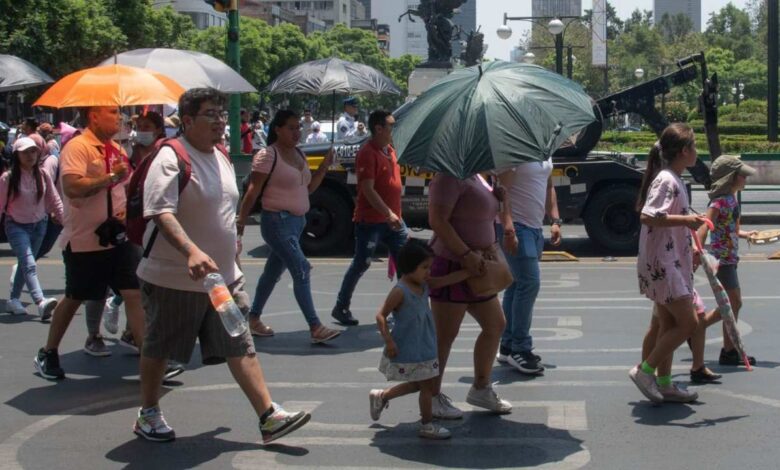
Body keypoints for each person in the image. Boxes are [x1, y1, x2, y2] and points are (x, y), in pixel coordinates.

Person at [134, 88, 311, 443]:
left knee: (240, 342)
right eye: (210, 115)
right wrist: (191, 251)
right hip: (176, 278)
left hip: (222, 279)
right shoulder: (170, 157)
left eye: (220, 114)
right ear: (186, 121)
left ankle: (268, 415)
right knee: (160, 347)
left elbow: (223, 208)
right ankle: (148, 412)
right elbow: (159, 211)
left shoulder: (221, 156)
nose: (220, 122)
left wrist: (232, 243)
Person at [32, 106, 146, 381]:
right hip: (86, 239)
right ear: (94, 115)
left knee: (132, 292)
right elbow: (72, 187)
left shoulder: (117, 150)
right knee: (75, 296)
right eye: (112, 112)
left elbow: (124, 188)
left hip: (118, 237)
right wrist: (110, 177)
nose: (118, 118)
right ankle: (48, 351)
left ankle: (150, 358)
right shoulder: (78, 147)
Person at [237, 110, 340, 343]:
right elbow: (253, 191)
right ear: (278, 129)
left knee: (272, 272)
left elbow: (309, 188)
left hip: (296, 223)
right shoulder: (267, 155)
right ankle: (315, 326)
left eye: (298, 127)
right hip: (276, 222)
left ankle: (253, 318)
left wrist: (324, 166)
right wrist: (241, 220)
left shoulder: (299, 155)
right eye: (291, 128)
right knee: (301, 268)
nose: (297, 132)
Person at [630, 123, 707, 403]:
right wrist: (686, 221)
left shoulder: (672, 178)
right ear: (685, 151)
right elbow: (648, 215)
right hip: (664, 263)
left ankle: (664, 383)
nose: (698, 151)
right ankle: (645, 371)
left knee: (667, 324)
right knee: (688, 323)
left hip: (670, 260)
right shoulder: (667, 180)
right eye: (695, 146)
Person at [426, 172, 512, 419]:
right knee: (445, 336)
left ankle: (481, 388)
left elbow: (476, 213)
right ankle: (431, 397)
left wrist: (498, 199)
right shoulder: (448, 177)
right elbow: (438, 220)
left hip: (479, 266)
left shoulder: (478, 176)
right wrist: (465, 254)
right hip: (454, 263)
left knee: (495, 325)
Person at [370, 239, 470, 439]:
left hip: (426, 343)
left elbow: (445, 281)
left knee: (419, 385)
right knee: (427, 386)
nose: (428, 272)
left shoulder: (423, 285)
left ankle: (382, 396)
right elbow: (380, 315)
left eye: (429, 267)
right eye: (424, 267)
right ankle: (427, 425)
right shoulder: (400, 291)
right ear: (409, 267)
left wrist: (470, 271)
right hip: (410, 345)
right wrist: (389, 341)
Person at [332, 110, 408, 326]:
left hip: (395, 221)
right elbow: (367, 189)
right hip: (372, 221)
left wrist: (394, 215)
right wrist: (388, 213)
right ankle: (341, 306)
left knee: (406, 264)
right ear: (378, 128)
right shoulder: (367, 152)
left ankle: (402, 309)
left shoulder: (390, 150)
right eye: (391, 125)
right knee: (361, 263)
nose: (394, 129)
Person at [496, 156, 562, 375]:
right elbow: (501, 191)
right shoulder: (514, 150)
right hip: (517, 226)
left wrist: (554, 220)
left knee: (516, 285)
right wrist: (507, 228)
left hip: (534, 228)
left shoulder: (545, 151)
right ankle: (520, 349)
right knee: (530, 283)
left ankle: (508, 345)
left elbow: (549, 186)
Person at [695, 154, 758, 367]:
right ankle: (698, 325)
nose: (745, 179)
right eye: (742, 176)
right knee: (733, 303)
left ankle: (729, 351)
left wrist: (746, 234)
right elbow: (706, 224)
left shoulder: (731, 199)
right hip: (722, 259)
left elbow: (730, 228)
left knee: (732, 304)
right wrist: (698, 249)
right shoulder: (719, 201)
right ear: (731, 178)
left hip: (730, 257)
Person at [1, 137, 61, 317]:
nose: (30, 155)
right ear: (16, 155)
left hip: (39, 225)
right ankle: (40, 301)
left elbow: (54, 199)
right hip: (16, 225)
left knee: (25, 263)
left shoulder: (42, 174)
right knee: (29, 263)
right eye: (25, 152)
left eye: (33, 151)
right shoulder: (8, 178)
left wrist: (67, 222)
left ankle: (13, 299)